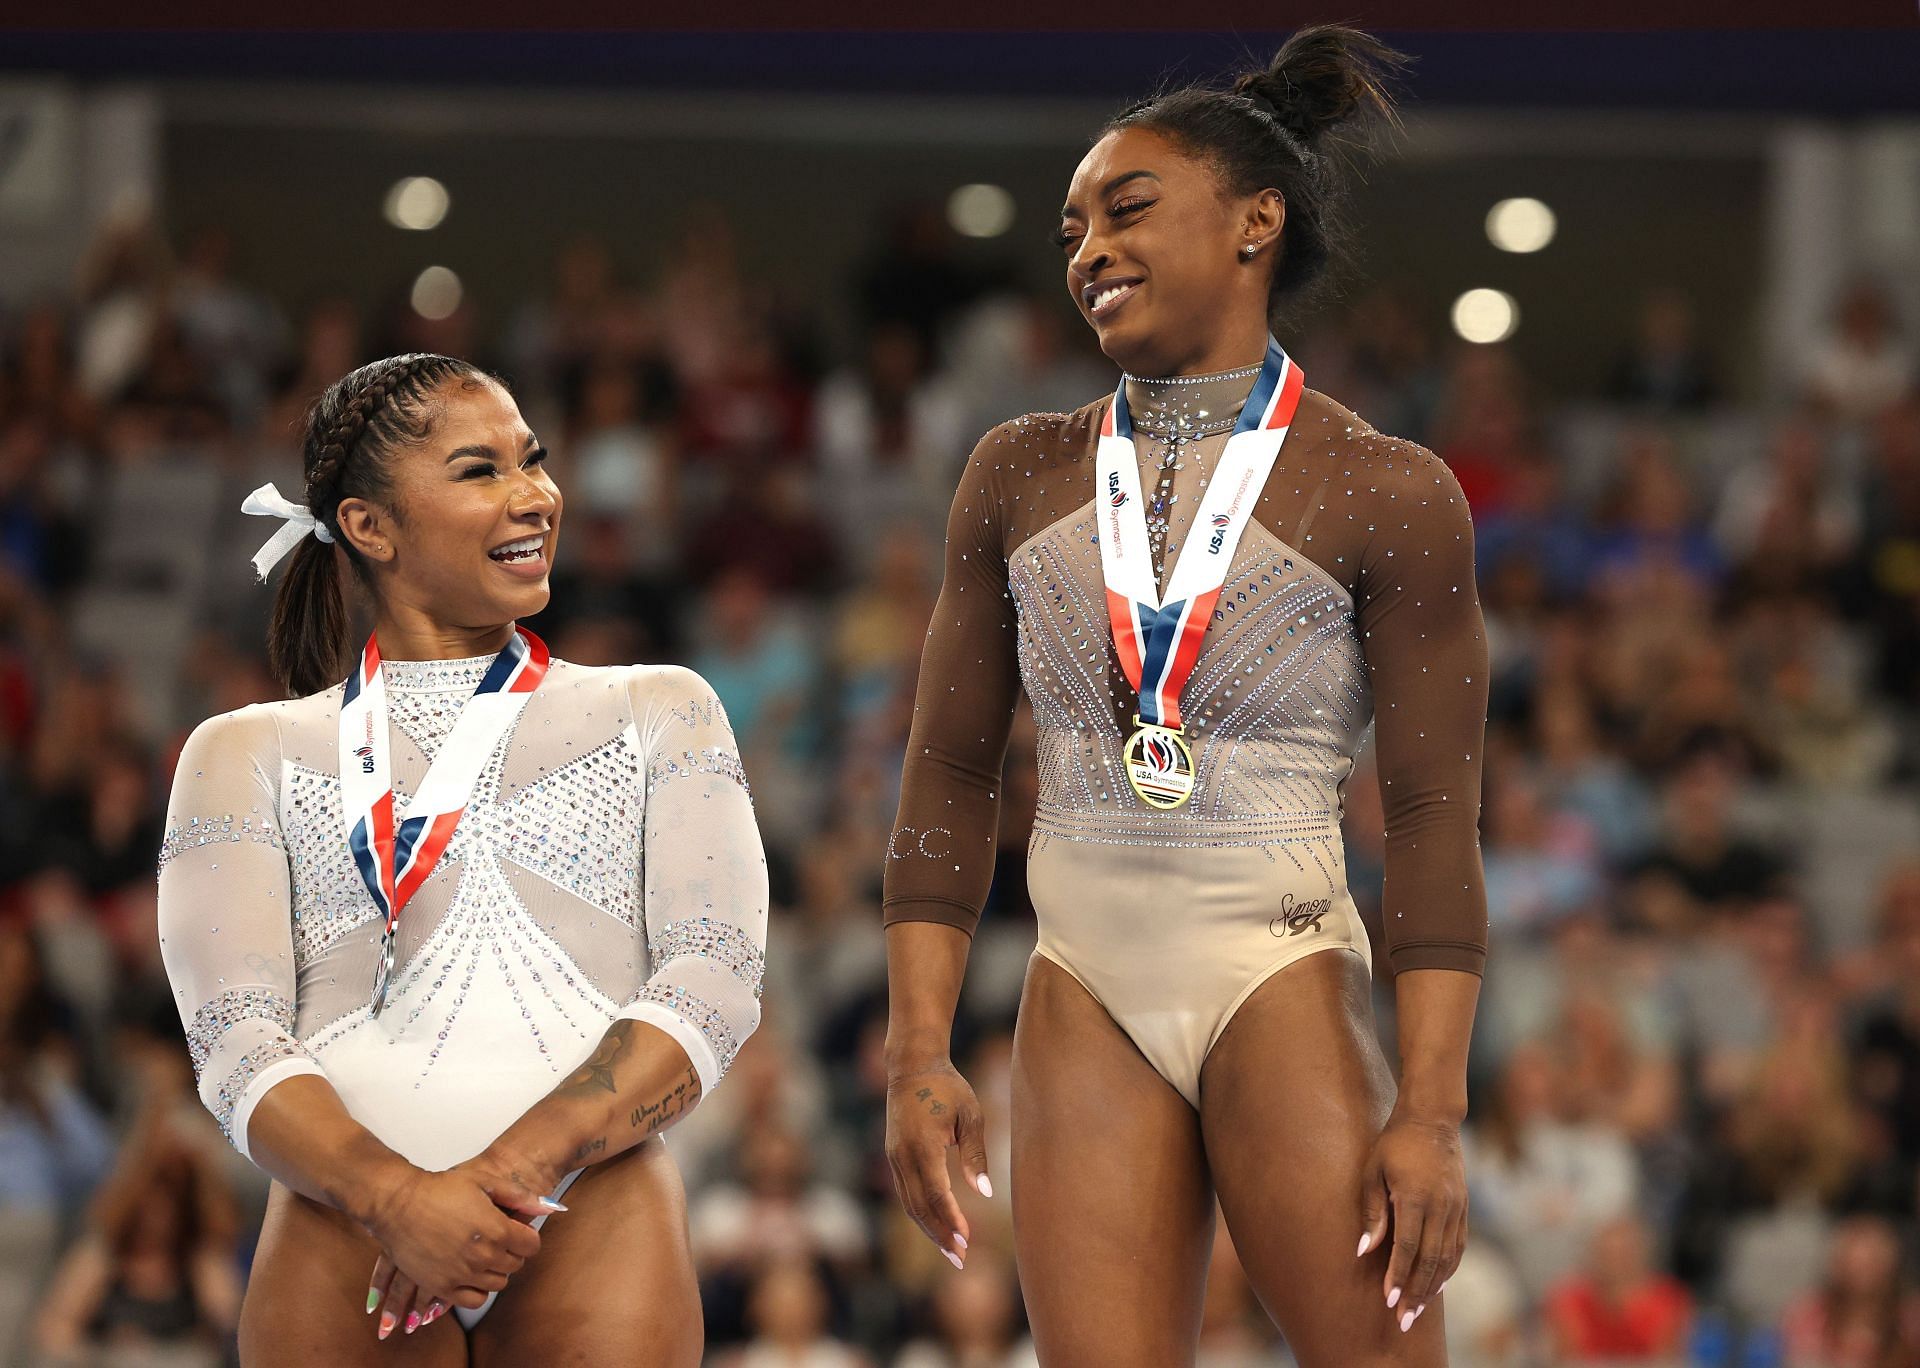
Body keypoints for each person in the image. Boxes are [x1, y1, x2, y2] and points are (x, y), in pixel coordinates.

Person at [881, 28, 1486, 1366]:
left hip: (1276, 962)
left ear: (1255, 219)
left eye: (1129, 208)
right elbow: (949, 773)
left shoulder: (1385, 490)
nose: (1089, 246)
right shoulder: (1019, 472)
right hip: (1081, 977)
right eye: (1072, 229)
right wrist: (918, 1048)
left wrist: (1432, 1113)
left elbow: (1438, 813)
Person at [156, 353, 769, 1364]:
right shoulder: (243, 751)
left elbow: (715, 979)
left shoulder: (660, 709)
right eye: (482, 471)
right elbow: (232, 1036)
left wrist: (502, 1178)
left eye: (534, 460)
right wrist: (392, 1199)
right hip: (340, 1231)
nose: (537, 495)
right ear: (369, 526)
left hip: (591, 1210)